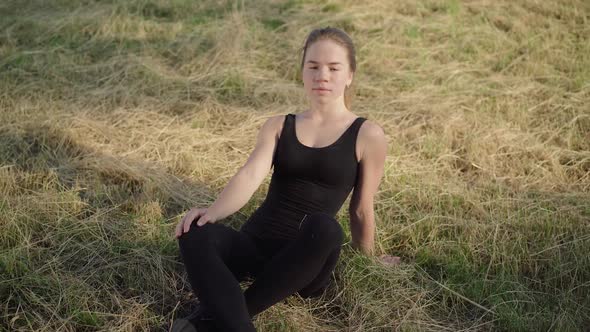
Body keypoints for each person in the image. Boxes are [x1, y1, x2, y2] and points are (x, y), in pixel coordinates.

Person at [171, 27, 398, 332]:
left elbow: (361, 207)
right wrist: (211, 213)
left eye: (333, 68)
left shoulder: (367, 135)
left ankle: (209, 321)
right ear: (303, 72)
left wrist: (369, 257)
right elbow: (250, 175)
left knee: (326, 227)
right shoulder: (279, 126)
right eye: (313, 67)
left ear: (350, 75)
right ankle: (237, 326)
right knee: (193, 232)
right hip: (255, 244)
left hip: (308, 260)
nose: (323, 76)